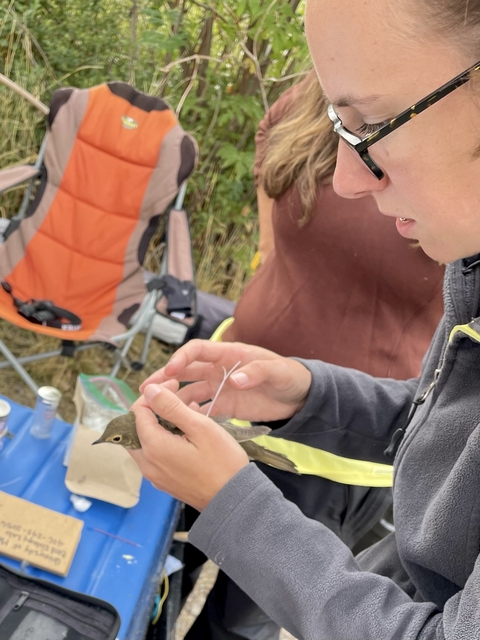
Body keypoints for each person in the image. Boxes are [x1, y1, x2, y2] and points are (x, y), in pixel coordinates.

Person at [129, 0, 480, 637]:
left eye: (371, 124)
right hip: (295, 458)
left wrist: (238, 510)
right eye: (337, 123)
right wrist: (309, 392)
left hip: (337, 493)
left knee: (237, 620)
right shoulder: (470, 247)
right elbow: (449, 425)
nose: (346, 179)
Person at [182, 71, 445, 640]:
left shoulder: (451, 135)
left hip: (334, 456)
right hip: (230, 391)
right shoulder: (306, 95)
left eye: (371, 137)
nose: (354, 176)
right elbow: (272, 221)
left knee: (241, 620)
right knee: (159, 557)